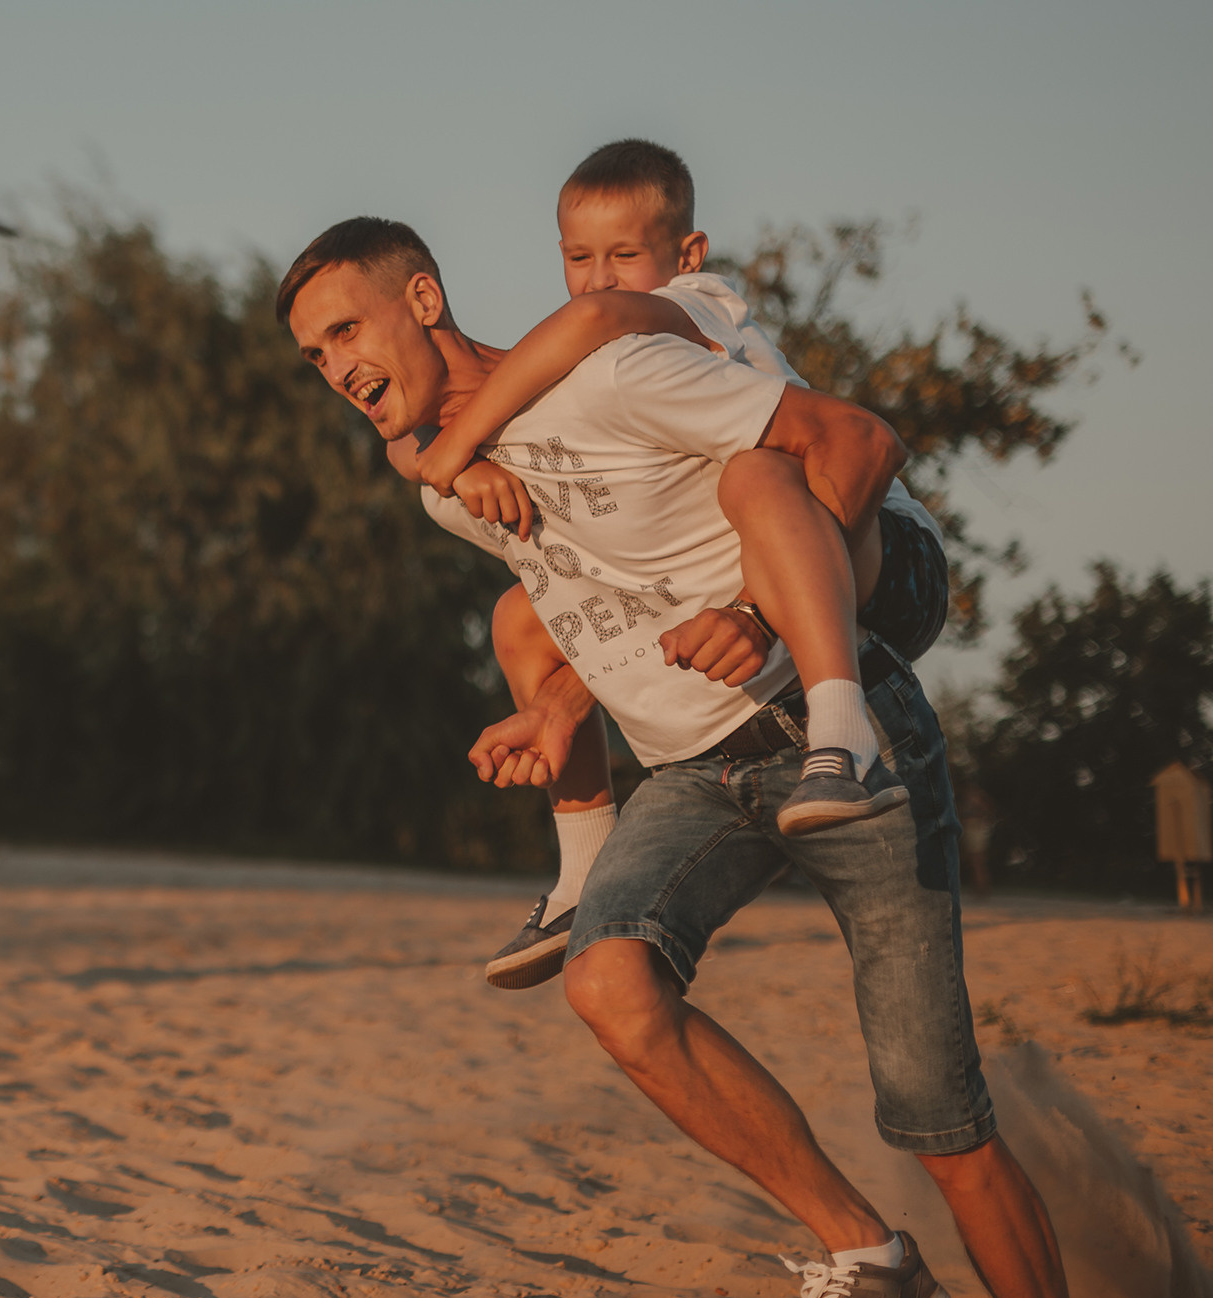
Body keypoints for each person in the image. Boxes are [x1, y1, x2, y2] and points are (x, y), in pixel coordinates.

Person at [277, 217, 1102, 1298]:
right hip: (691, 775)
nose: (336, 365)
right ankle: (866, 1259)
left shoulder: (613, 371)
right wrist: (558, 710)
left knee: (935, 1113)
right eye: (313, 355)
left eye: (346, 328)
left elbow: (855, 445)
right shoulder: (448, 489)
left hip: (837, 730)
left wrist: (764, 619)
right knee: (609, 985)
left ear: (423, 294)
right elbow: (600, 592)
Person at [386, 140, 952, 990]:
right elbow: (405, 439)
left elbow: (587, 323)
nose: (603, 278)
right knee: (518, 617)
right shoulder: (596, 361)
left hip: (874, 543)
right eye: (579, 259)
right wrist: (461, 462)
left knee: (759, 473)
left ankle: (843, 737)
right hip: (761, 564)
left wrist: (462, 439)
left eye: (625, 255)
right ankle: (583, 862)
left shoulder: (696, 305)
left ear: (687, 255)